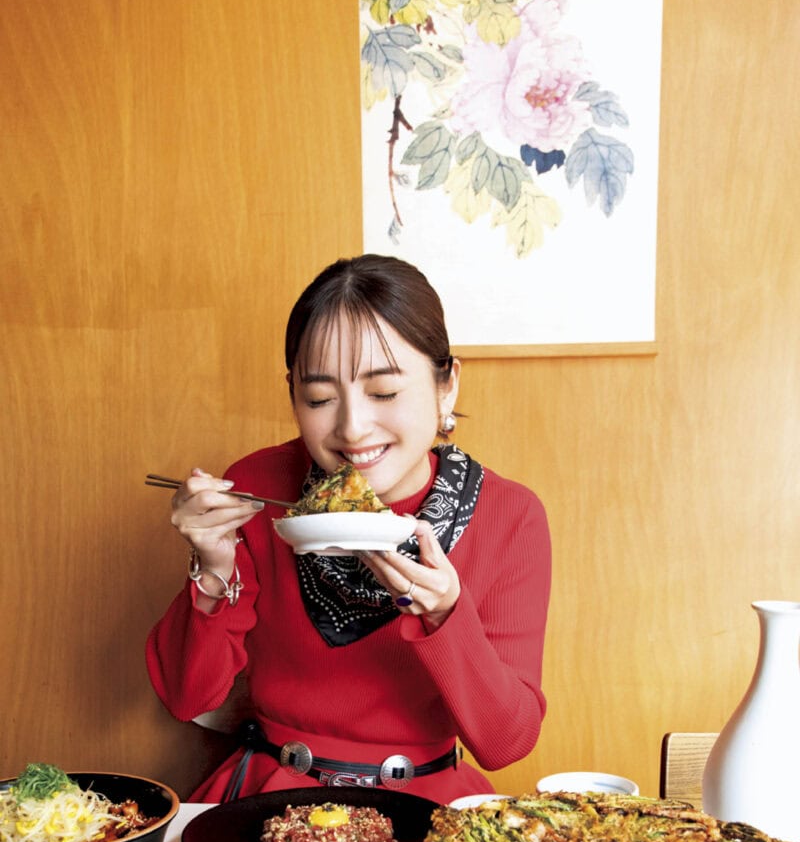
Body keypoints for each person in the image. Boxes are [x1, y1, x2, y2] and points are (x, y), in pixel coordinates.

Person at [146, 254, 551, 803]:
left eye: (384, 393)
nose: (353, 428)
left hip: (426, 803)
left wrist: (444, 613)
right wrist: (213, 565)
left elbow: (507, 742)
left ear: (446, 385)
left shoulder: (509, 515)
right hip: (270, 793)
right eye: (320, 398)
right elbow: (186, 697)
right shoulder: (257, 487)